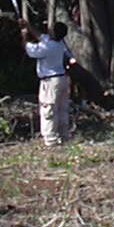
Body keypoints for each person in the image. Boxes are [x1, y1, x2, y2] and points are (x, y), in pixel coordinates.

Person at [20, 18, 75, 146]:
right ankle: (63, 136)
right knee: (62, 108)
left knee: (48, 109)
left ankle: (50, 140)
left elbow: (29, 50)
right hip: (62, 79)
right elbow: (40, 36)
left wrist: (24, 36)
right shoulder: (60, 43)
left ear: (54, 33)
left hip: (50, 82)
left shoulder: (47, 47)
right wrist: (28, 25)